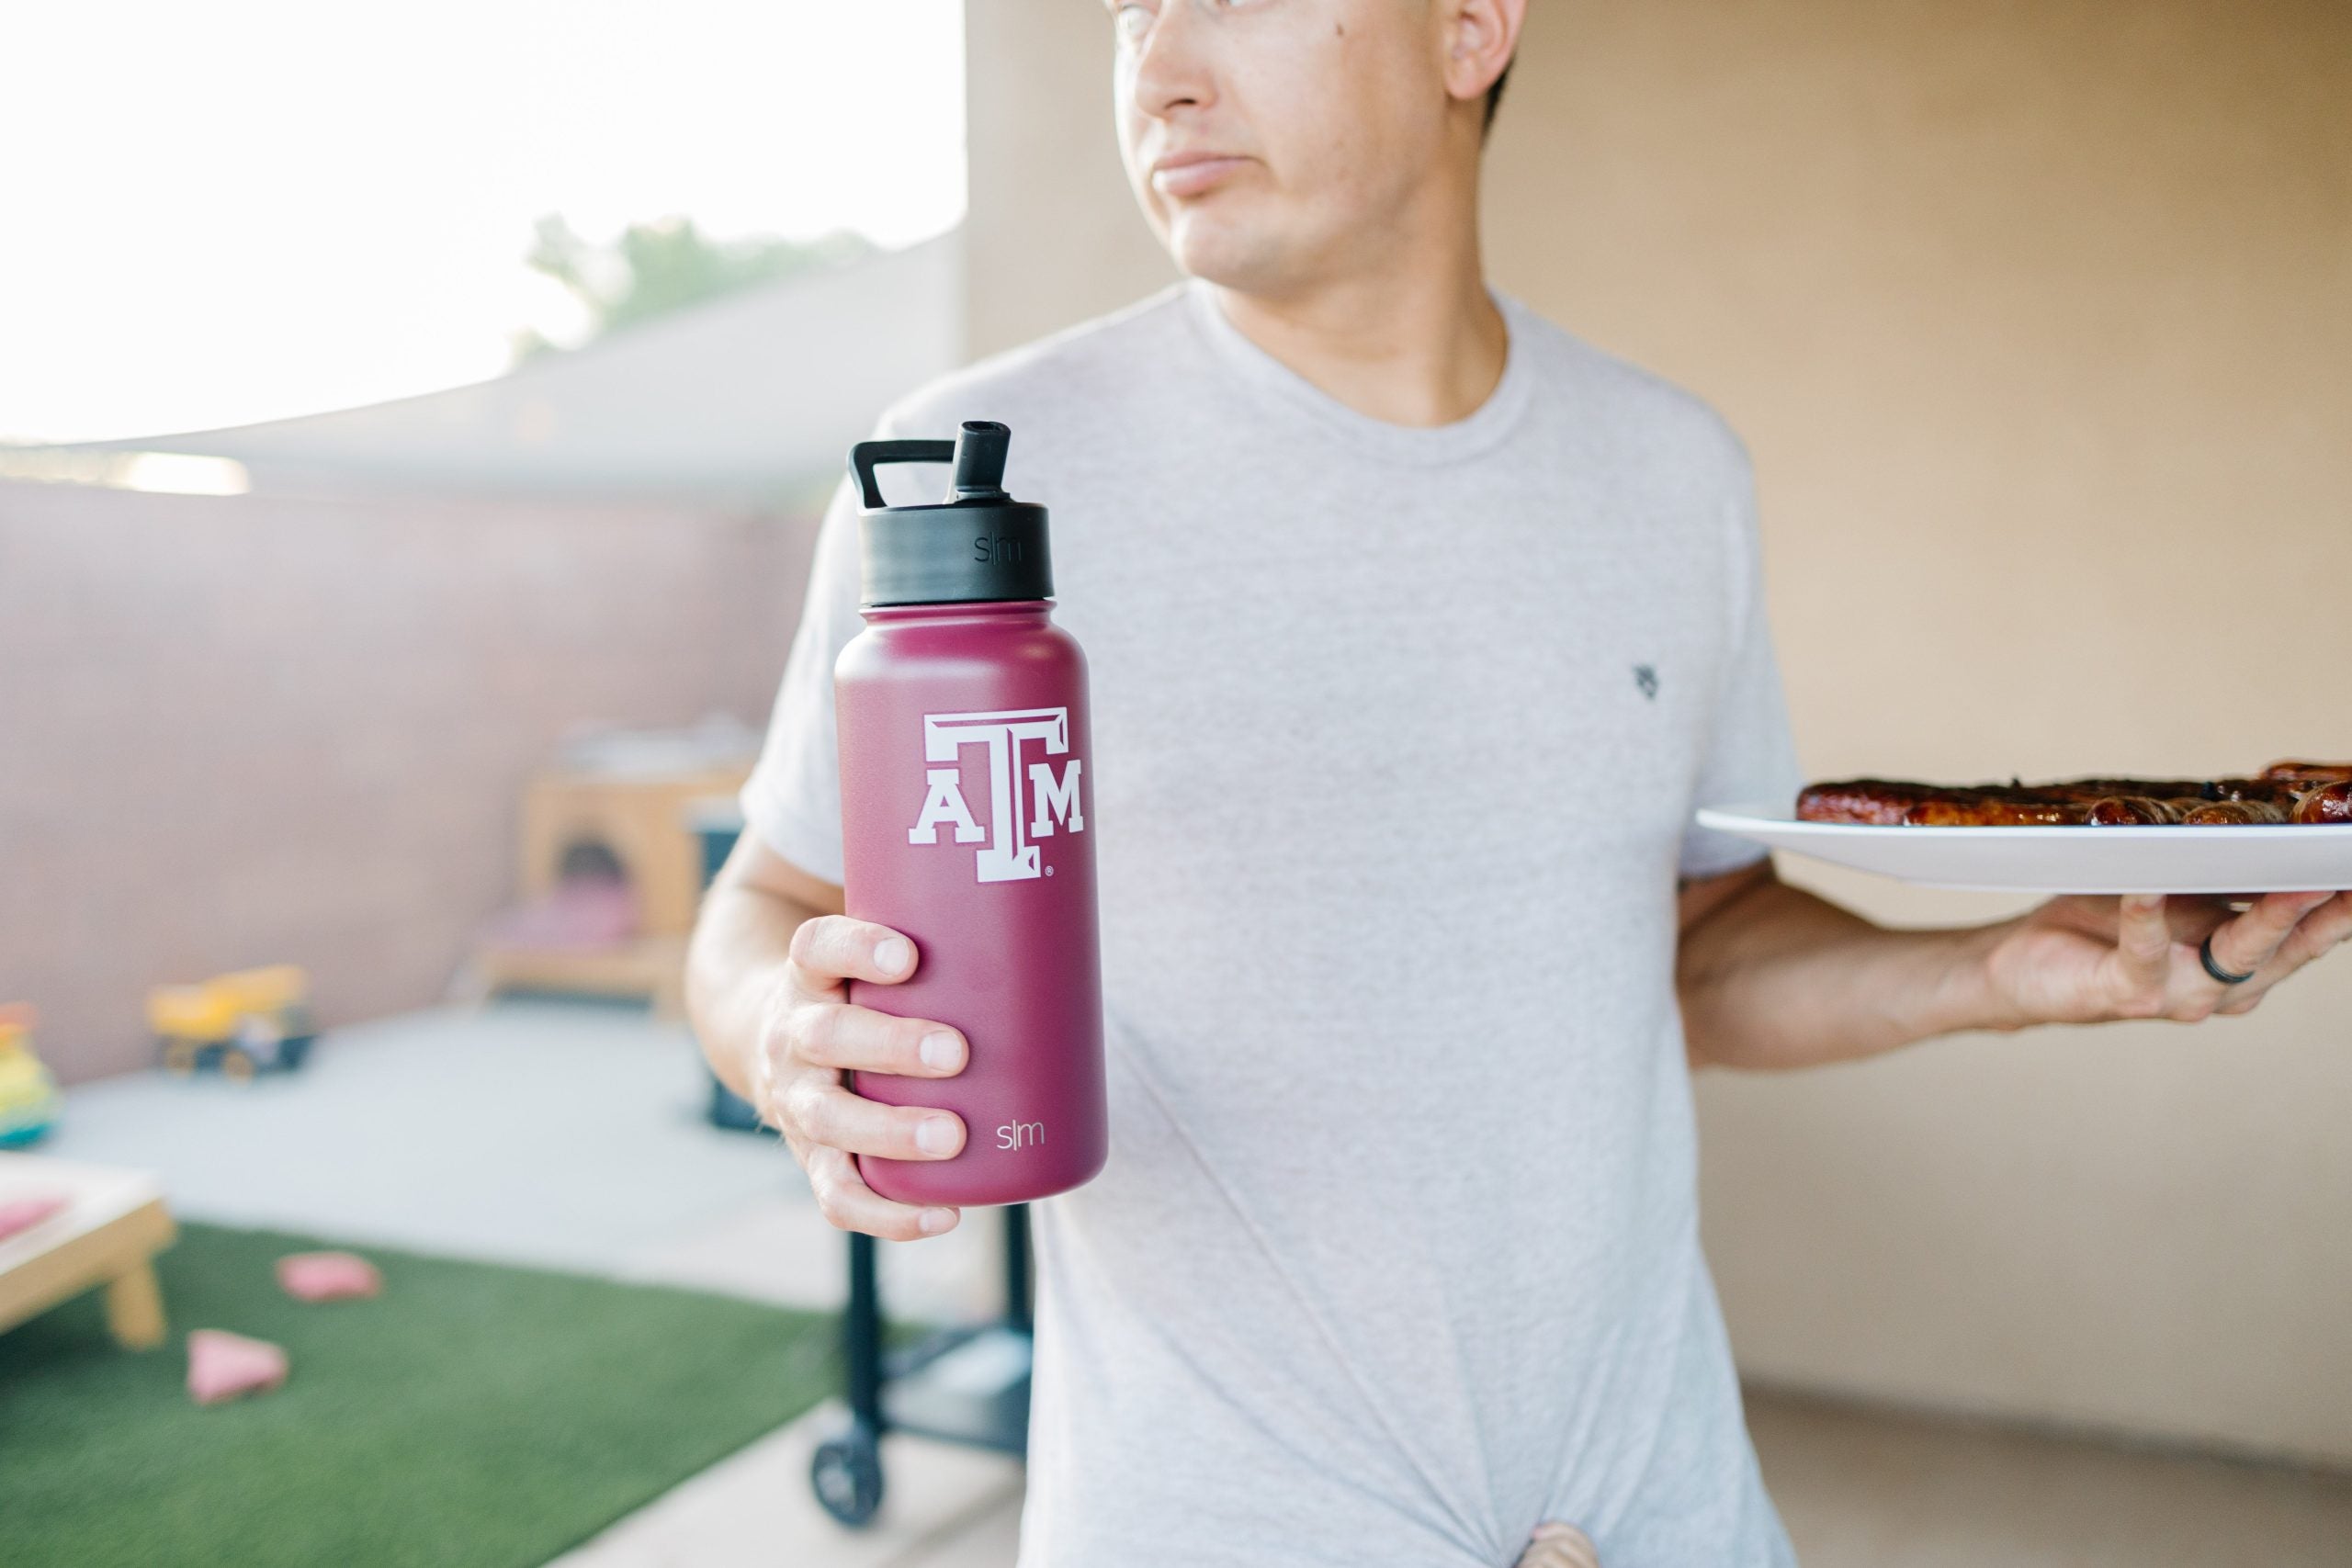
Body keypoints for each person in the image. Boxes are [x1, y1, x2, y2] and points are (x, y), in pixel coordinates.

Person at [684, 3, 2352, 1564]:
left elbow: (1698, 948)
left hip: (1664, 1507)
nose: (1161, 67)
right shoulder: (983, 472)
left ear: (1474, 24)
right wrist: (786, 1037)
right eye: (1132, 4)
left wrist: (2008, 968)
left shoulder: (1669, 468)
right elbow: (764, 900)